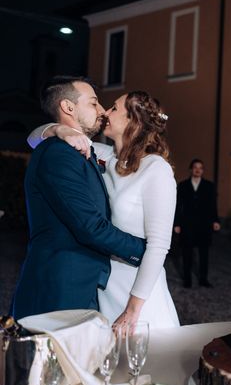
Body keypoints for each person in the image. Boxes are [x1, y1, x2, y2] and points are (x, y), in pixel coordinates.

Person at [24, 82, 179, 330]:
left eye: (114, 108)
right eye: (99, 104)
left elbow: (159, 244)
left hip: (136, 289)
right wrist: (59, 130)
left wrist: (132, 310)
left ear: (133, 122)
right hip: (104, 287)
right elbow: (33, 139)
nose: (105, 112)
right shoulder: (104, 155)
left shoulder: (155, 169)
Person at [13, 77, 145, 322]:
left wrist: (54, 128)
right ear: (68, 107)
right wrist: (147, 250)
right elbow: (90, 227)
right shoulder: (58, 153)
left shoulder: (83, 149)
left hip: (81, 285)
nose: (102, 111)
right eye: (94, 103)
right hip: (60, 291)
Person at [174, 159, 221, 288]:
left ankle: (203, 279)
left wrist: (215, 220)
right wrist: (176, 223)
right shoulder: (183, 185)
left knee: (204, 254)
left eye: (200, 168)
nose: (198, 170)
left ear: (203, 170)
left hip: (204, 225)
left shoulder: (209, 186)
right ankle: (187, 279)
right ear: (191, 169)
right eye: (195, 167)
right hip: (187, 224)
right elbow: (178, 206)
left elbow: (213, 205)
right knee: (186, 253)